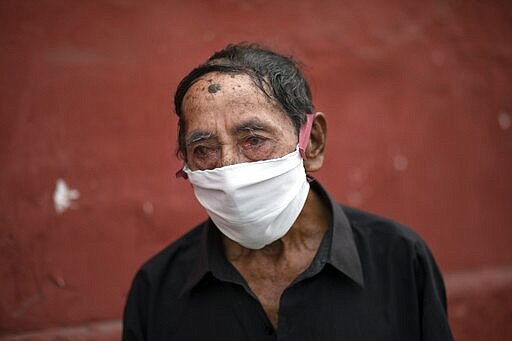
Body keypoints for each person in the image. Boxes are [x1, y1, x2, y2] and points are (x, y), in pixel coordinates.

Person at [123, 43, 454, 340]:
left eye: (254, 140)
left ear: (312, 142)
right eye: (204, 149)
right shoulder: (156, 290)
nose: (228, 171)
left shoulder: (399, 261)